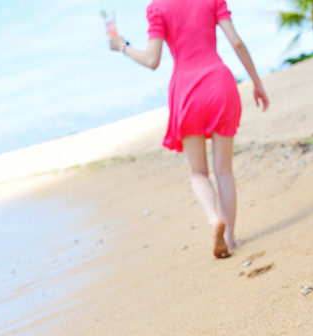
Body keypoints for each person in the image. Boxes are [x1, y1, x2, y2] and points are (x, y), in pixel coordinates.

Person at [107, 0, 269, 259]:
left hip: (187, 92)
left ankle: (213, 218)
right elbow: (236, 42)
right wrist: (257, 83)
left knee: (198, 173)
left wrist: (121, 46)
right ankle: (231, 238)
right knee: (224, 171)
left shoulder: (157, 8)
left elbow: (152, 60)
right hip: (219, 84)